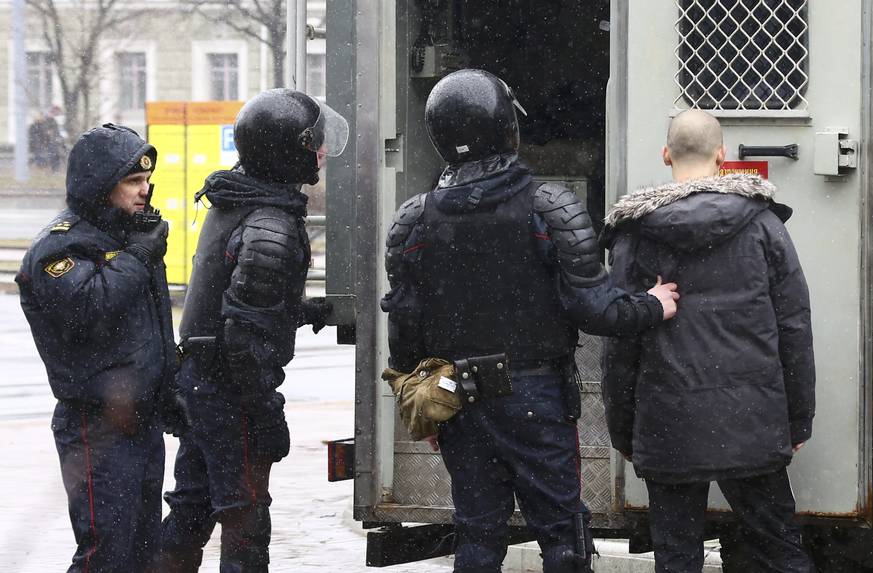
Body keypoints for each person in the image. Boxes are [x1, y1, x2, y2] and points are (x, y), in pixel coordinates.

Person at [381, 68, 679, 573]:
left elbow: (404, 328)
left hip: (456, 392)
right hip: (534, 395)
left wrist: (425, 403)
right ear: (507, 128)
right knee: (562, 533)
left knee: (477, 532)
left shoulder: (414, 217)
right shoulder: (548, 206)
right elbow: (595, 310)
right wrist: (653, 303)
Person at [600, 109, 816, 573]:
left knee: (677, 558)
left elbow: (620, 343)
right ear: (722, 156)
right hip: (752, 419)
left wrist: (622, 428)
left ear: (665, 155)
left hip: (668, 422)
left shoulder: (634, 235)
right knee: (780, 551)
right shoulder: (764, 226)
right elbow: (795, 326)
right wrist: (798, 417)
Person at [159, 88, 348, 572]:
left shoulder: (237, 198)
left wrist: (300, 310)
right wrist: (264, 409)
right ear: (289, 149)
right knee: (245, 520)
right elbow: (243, 340)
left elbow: (235, 306)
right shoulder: (271, 223)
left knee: (192, 509)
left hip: (201, 381)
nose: (322, 152)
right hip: (229, 392)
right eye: (314, 143)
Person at [15, 123, 179, 572]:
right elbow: (87, 308)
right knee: (106, 553)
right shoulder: (62, 245)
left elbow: (151, 329)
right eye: (132, 181)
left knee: (144, 552)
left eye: (146, 180)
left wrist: (172, 387)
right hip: (96, 427)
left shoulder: (127, 236)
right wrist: (138, 258)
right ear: (101, 184)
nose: (144, 191)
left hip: (141, 418)